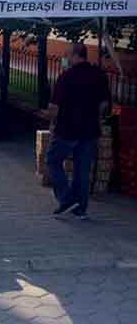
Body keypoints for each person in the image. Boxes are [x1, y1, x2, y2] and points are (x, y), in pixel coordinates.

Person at [47, 43, 110, 219]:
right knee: (82, 170)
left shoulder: (66, 77)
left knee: (53, 160)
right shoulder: (99, 75)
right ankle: (80, 208)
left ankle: (66, 199)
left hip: (67, 129)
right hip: (90, 130)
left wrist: (52, 122)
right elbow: (104, 104)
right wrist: (95, 118)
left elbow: (54, 107)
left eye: (67, 55)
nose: (65, 58)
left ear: (75, 55)